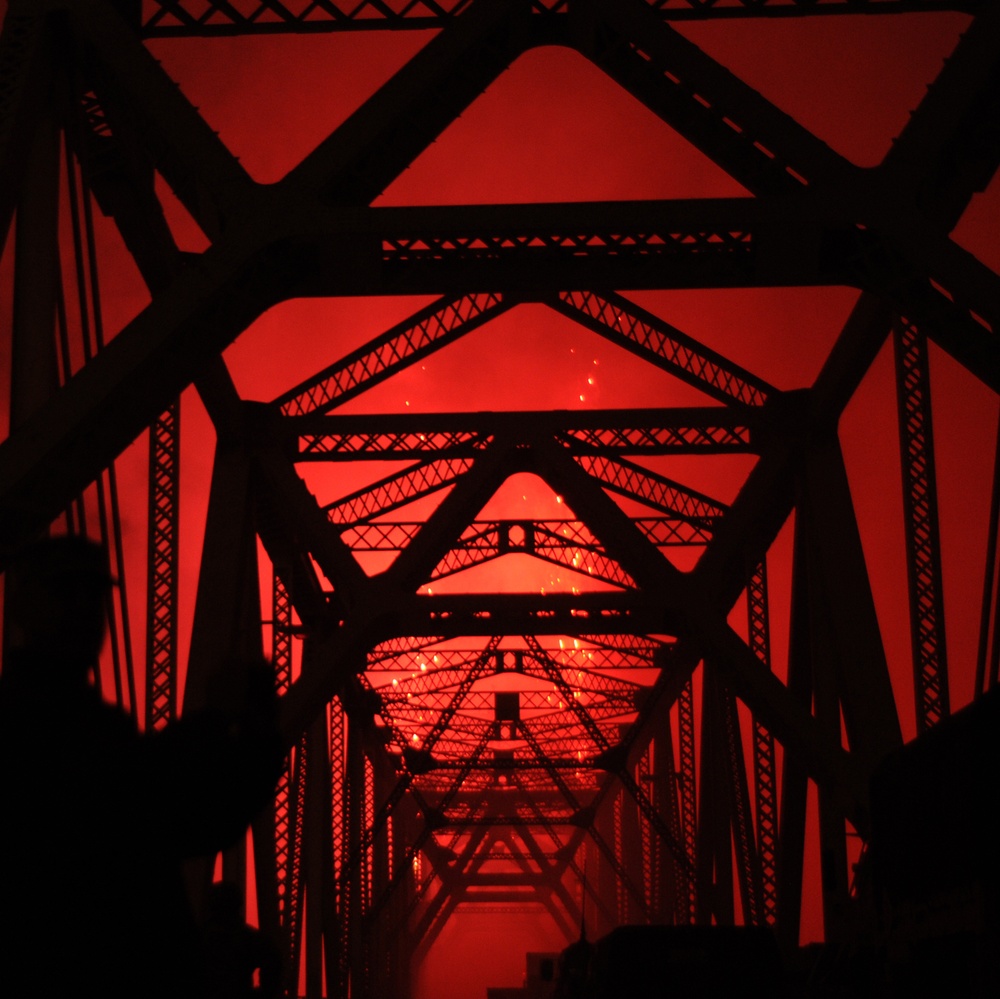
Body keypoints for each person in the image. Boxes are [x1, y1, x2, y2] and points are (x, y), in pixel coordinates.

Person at [0, 534, 282, 999]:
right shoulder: (38, 727)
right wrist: (230, 726)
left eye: (93, 595)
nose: (83, 609)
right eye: (65, 592)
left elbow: (171, 811)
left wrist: (249, 735)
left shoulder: (77, 725)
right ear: (25, 606)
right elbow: (154, 807)